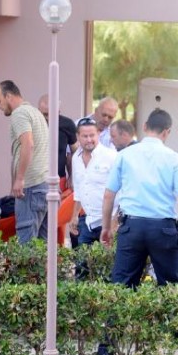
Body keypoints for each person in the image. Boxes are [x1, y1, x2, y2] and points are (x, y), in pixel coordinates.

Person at [100, 108, 178, 288]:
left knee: (122, 287)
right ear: (167, 132)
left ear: (145, 126)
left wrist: (106, 227)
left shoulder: (124, 155)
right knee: (171, 288)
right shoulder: (174, 158)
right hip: (163, 229)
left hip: (131, 227)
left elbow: (108, 195)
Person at [0, 80, 49, 243]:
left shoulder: (19, 113)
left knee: (26, 246)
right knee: (42, 246)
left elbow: (28, 144)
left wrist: (19, 179)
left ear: (8, 96)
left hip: (31, 188)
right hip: (44, 186)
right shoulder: (35, 113)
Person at [70, 117, 117, 278]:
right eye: (85, 136)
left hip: (109, 221)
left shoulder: (111, 156)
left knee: (109, 270)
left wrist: (114, 223)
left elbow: (123, 191)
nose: (89, 139)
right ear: (78, 136)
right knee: (82, 269)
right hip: (87, 221)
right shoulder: (76, 158)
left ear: (98, 134)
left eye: (92, 135)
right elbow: (79, 189)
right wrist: (74, 215)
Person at [38, 94, 78, 191]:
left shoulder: (67, 124)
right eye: (44, 114)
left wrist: (72, 176)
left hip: (59, 178)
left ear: (58, 111)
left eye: (51, 114)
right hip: (36, 181)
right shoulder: (32, 125)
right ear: (38, 111)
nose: (48, 118)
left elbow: (75, 152)